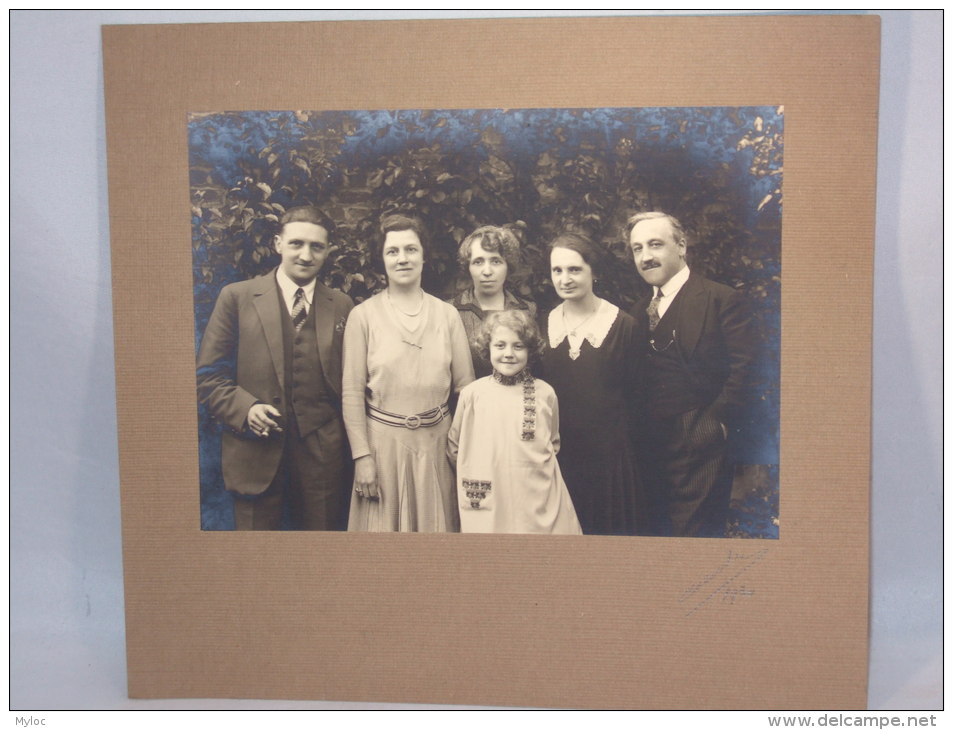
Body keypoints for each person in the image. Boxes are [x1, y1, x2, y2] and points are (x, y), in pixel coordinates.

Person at [196, 206, 354, 530]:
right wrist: (246, 408)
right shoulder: (237, 298)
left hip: (322, 463)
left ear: (327, 252)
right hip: (254, 455)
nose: (306, 255)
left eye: (317, 247)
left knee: (321, 560)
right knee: (257, 561)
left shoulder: (342, 305)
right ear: (278, 243)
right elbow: (208, 377)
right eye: (296, 243)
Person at [627, 211, 756, 538]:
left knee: (694, 537)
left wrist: (717, 424)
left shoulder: (719, 298)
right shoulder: (637, 312)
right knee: (656, 533)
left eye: (655, 245)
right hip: (651, 445)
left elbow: (746, 367)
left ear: (681, 246)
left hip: (701, 438)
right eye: (637, 248)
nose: (646, 256)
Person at [343, 214, 475, 532]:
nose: (403, 259)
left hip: (438, 448)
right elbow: (351, 393)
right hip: (382, 448)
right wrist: (362, 458)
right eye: (393, 251)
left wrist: (463, 450)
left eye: (411, 250)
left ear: (424, 256)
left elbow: (467, 390)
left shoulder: (447, 315)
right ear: (382, 259)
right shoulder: (362, 316)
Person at [541, 231, 642, 535]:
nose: (565, 278)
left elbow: (638, 397)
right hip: (560, 454)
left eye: (575, 269)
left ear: (593, 271)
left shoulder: (622, 325)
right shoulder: (545, 323)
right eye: (557, 270)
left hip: (609, 458)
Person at [447, 310, 582, 535]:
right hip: (487, 491)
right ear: (487, 348)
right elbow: (454, 447)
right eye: (500, 345)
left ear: (530, 350)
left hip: (535, 494)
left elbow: (553, 442)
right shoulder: (473, 394)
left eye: (518, 346)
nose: (508, 354)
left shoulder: (545, 393)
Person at [449, 225, 536, 378]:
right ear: (468, 267)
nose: (487, 271)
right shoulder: (450, 310)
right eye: (478, 262)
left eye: (496, 261)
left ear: (508, 266)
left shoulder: (528, 310)